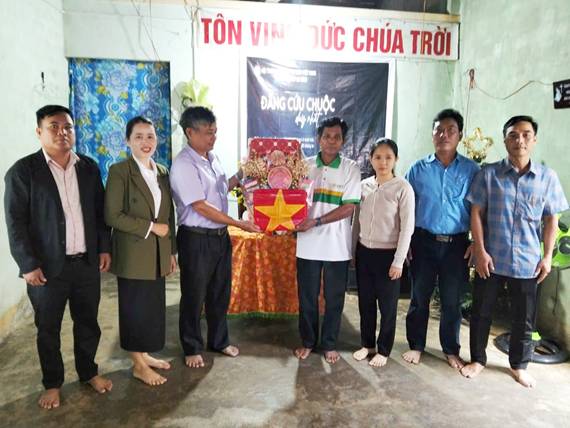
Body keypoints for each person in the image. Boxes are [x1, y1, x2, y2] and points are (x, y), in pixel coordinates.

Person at [4, 105, 113, 409]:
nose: (62, 132)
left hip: (86, 263)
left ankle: (88, 372)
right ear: (39, 132)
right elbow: (15, 223)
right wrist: (28, 264)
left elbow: (99, 213)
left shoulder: (88, 167)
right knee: (48, 328)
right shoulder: (23, 172)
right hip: (47, 269)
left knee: (88, 322)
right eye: (54, 126)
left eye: (68, 127)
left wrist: (104, 248)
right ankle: (52, 383)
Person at [460, 115, 568, 388]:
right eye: (513, 135)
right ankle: (478, 360)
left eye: (525, 134)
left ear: (534, 140)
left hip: (528, 262)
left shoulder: (547, 178)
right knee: (481, 313)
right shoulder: (489, 174)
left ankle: (519, 366)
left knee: (524, 318)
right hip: (491, 259)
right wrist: (480, 251)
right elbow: (476, 213)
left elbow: (551, 220)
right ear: (505, 140)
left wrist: (547, 257)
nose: (519, 140)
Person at [170, 106, 260, 369]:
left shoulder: (212, 157)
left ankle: (219, 341)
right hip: (196, 238)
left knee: (219, 292)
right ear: (190, 132)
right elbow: (200, 206)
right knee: (194, 295)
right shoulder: (184, 164)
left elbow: (222, 189)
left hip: (219, 236)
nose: (213, 138)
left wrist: (242, 174)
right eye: (208, 133)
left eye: (215, 132)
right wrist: (238, 223)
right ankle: (191, 347)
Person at [403, 108, 480, 368]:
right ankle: (416, 345)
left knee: (451, 301)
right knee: (419, 298)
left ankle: (450, 349)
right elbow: (405, 208)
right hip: (422, 242)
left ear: (460, 136)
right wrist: (405, 242)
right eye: (439, 130)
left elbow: (479, 210)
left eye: (450, 130)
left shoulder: (471, 170)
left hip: (457, 245)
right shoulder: (418, 169)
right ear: (432, 134)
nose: (444, 135)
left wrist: (476, 242)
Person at [104, 116, 177, 386]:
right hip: (133, 254)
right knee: (134, 310)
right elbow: (112, 215)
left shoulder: (162, 171)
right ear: (128, 141)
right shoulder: (120, 171)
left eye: (150, 136)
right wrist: (150, 227)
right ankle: (137, 365)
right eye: (138, 136)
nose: (145, 142)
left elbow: (169, 216)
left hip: (158, 254)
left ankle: (144, 356)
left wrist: (171, 252)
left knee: (150, 309)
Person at [294, 116, 361, 364]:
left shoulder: (351, 168)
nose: (331, 141)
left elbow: (349, 207)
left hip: (337, 247)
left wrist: (317, 221)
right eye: (326, 136)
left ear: (343, 141)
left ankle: (329, 343)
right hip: (307, 244)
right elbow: (291, 199)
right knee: (307, 298)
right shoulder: (304, 166)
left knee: (334, 299)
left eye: (337, 137)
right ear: (318, 139)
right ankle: (308, 342)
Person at [352, 138, 415, 367]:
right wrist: (352, 251)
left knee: (387, 307)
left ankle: (384, 349)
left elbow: (407, 227)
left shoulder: (403, 188)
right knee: (366, 303)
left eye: (388, 157)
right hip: (364, 253)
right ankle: (367, 344)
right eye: (378, 157)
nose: (383, 162)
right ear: (371, 159)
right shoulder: (363, 186)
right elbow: (356, 222)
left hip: (389, 256)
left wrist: (399, 261)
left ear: (396, 159)